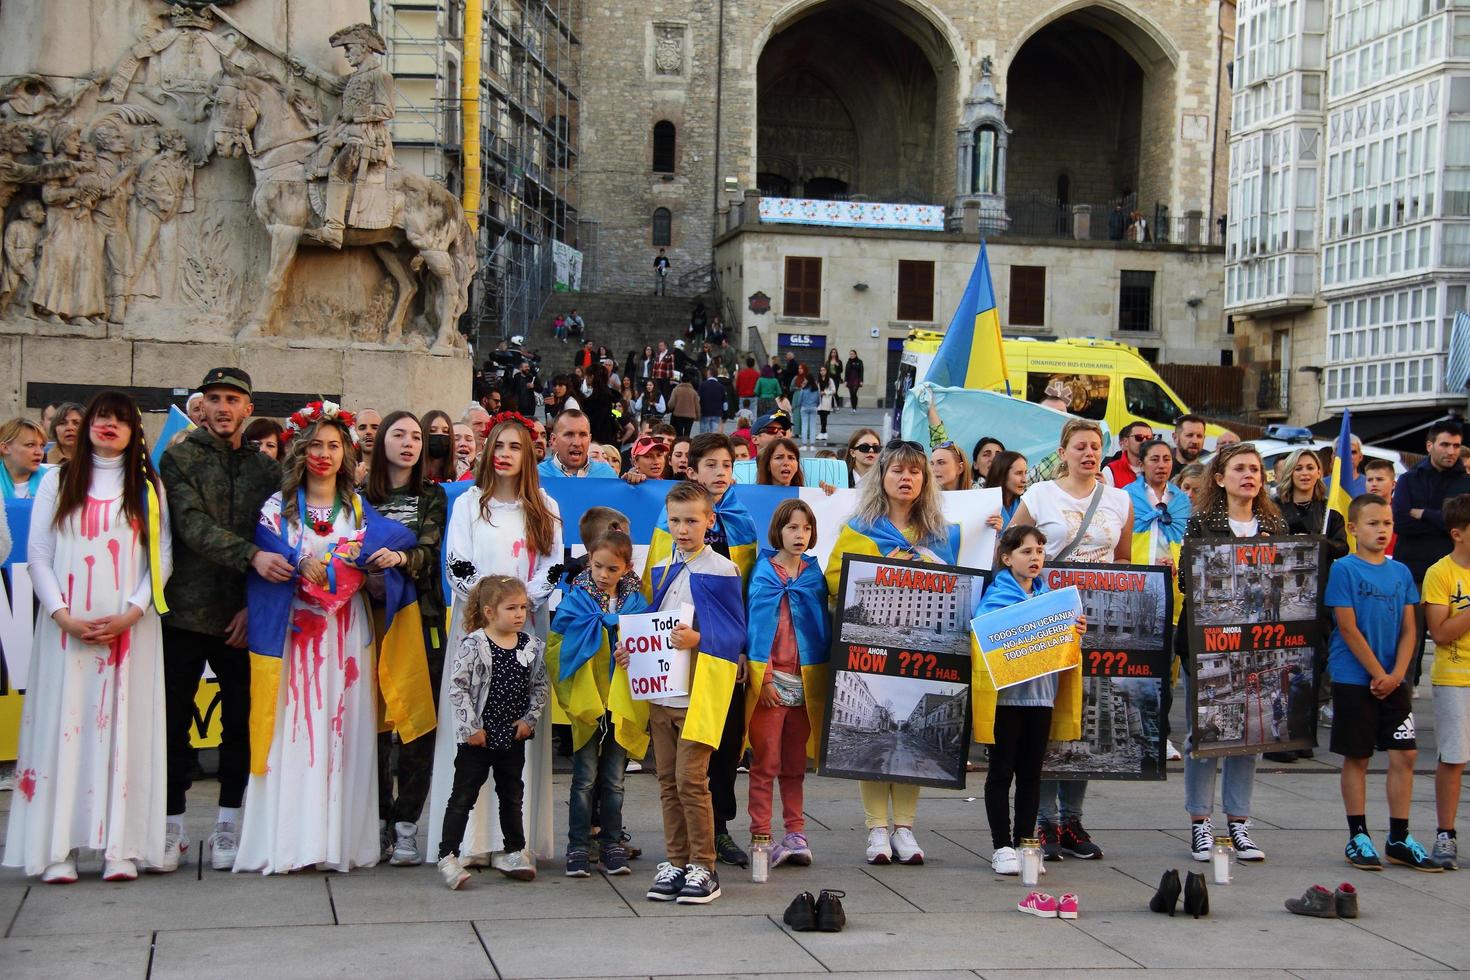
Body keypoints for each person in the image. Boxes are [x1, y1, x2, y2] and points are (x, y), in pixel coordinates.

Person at [3, 391, 172, 883]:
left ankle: (122, 846)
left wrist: (131, 613)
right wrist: (61, 614)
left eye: (121, 420)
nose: (109, 426)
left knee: (125, 731)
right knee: (65, 729)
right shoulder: (57, 480)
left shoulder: (147, 486)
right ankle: (58, 848)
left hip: (130, 632)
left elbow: (160, 560)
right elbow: (37, 554)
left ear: (134, 430)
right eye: (102, 417)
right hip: (67, 632)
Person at [234, 404, 394, 875]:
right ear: (300, 452)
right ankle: (291, 842)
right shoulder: (274, 510)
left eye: (333, 445)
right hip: (296, 631)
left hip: (346, 632)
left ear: (347, 453)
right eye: (315, 445)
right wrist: (295, 564)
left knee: (344, 728)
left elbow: (382, 555)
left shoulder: (361, 510)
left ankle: (340, 841)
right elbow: (267, 557)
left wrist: (369, 566)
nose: (324, 454)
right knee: (296, 728)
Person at [158, 368, 283, 872]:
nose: (224, 407)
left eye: (233, 399)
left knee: (241, 722)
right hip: (184, 611)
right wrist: (251, 557)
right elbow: (190, 526)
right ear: (202, 407)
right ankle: (171, 824)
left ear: (248, 408)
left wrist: (255, 605)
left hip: (243, 615)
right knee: (172, 722)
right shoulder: (178, 458)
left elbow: (278, 535)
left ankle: (230, 819)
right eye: (215, 398)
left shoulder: (266, 469)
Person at [428, 415, 562, 867]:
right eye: (498, 445)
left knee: (515, 735)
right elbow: (456, 563)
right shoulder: (469, 504)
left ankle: (513, 842)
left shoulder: (545, 506)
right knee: (473, 727)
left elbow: (554, 567)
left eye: (515, 447)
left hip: (524, 632)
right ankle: (464, 843)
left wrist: (519, 607)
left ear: (528, 456)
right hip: (475, 628)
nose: (504, 453)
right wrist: (490, 608)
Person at [827, 440, 958, 865]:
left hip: (923, 650)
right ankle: (876, 830)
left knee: (908, 747)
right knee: (878, 754)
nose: (907, 478)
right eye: (898, 470)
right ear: (881, 477)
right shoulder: (859, 530)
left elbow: (960, 586)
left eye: (916, 472)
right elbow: (833, 581)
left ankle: (905, 827)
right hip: (870, 648)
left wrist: (935, 567)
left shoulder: (942, 534)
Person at [1010, 418, 1134, 862]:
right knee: (1048, 714)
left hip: (1097, 622)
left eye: (1095, 446)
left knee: (1086, 717)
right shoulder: (1040, 495)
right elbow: (1011, 549)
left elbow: (1124, 560)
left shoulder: (1119, 499)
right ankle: (1042, 819)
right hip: (1048, 616)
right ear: (1062, 452)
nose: (1088, 453)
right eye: (1079, 446)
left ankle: (1073, 819)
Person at [618, 481, 745, 904]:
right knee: (668, 782)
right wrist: (631, 650)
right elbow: (649, 623)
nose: (683, 528)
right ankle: (676, 860)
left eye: (692, 520)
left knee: (692, 781)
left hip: (698, 694)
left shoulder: (722, 569)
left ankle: (704, 866)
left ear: (710, 521)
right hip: (662, 694)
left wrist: (700, 638)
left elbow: (733, 634)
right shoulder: (662, 566)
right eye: (675, 520)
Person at [645, 435, 756, 868]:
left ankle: (719, 831)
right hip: (674, 666)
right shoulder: (668, 524)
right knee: (678, 772)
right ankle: (682, 852)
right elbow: (654, 596)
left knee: (726, 743)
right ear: (692, 470)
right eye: (710, 464)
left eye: (727, 464)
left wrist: (742, 650)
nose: (720, 472)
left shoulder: (742, 522)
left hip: (723, 654)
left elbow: (749, 597)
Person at [1177, 442, 1284, 864]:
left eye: (1255, 469)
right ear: (1219, 479)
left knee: (1250, 735)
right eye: (1240, 468)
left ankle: (1239, 823)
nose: (1249, 475)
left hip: (1259, 647)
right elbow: (1189, 582)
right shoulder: (1202, 524)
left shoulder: (1274, 527)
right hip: (1208, 644)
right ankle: (1200, 823)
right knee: (1203, 732)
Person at [1327, 494, 1440, 872]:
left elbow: (1411, 629)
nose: (1382, 530)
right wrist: (1377, 672)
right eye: (1373, 523)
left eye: (1387, 523)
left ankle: (1399, 836)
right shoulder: (1345, 569)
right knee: (1357, 755)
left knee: (1405, 754)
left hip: (1393, 680)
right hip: (1355, 676)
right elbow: (1347, 626)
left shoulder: (1401, 572)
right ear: (1355, 528)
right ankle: (1357, 834)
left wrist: (1397, 675)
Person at [973, 523, 1085, 875]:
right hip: (1007, 701)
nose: (1035, 557)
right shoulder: (995, 597)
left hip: (1041, 698)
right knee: (1001, 772)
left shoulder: (1052, 599)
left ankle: (1026, 842)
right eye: (1026, 551)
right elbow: (983, 631)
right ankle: (1001, 845)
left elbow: (1060, 646)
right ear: (1006, 558)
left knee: (1032, 775)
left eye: (1039, 551)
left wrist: (1074, 629)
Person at [364, 411, 449, 867]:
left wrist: (400, 558)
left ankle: (406, 824)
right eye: (399, 434)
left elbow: (430, 553)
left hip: (420, 620)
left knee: (419, 723)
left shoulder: (431, 497)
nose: (409, 443)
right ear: (381, 443)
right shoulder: (358, 497)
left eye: (416, 436)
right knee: (374, 725)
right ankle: (377, 819)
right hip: (370, 619)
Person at [435, 575, 550, 888]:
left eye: (523, 607)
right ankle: (448, 855)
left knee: (512, 795)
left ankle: (515, 850)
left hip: (511, 736)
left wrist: (529, 720)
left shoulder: (530, 646)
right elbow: (457, 688)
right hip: (479, 738)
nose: (519, 614)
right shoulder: (474, 644)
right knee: (463, 796)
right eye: (511, 608)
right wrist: (471, 727)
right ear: (489, 612)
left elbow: (540, 686)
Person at [547, 529, 646, 878]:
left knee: (615, 781)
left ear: (627, 568)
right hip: (589, 701)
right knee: (584, 778)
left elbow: (646, 644)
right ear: (588, 560)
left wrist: (628, 649)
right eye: (598, 566)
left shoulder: (637, 603)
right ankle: (577, 846)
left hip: (619, 704)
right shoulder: (575, 599)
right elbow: (558, 647)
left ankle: (612, 844)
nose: (604, 575)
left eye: (612, 569)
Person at [745, 499, 829, 867]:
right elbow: (754, 626)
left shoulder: (814, 574)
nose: (800, 534)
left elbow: (822, 624)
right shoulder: (762, 573)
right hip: (771, 682)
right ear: (778, 530)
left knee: (796, 764)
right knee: (766, 762)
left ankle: (795, 833)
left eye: (806, 528)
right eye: (793, 527)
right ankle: (761, 835)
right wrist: (761, 679)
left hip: (804, 683)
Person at [1420, 492, 1470, 870]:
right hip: (1455, 678)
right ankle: (1445, 834)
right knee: (1453, 757)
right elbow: (1439, 632)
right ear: (1458, 533)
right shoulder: (1441, 573)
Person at [539, 409, 618, 479]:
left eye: (583, 435)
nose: (577, 443)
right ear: (554, 440)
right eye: (569, 434)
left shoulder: (607, 474)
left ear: (589, 439)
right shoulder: (536, 475)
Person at [0, 416, 47, 499]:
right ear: (5, 448)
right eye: (30, 445)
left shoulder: (53, 480)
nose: (39, 452)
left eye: (42, 446)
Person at [1362, 458, 1398, 557]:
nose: (1374, 484)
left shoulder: (1400, 511)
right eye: (1369, 480)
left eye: (1379, 479)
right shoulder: (1358, 510)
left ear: (1393, 484)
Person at [986, 451, 1029, 533]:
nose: (1024, 480)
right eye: (1019, 473)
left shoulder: (1026, 503)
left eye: (1025, 473)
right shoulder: (984, 505)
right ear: (1002, 474)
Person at [1102, 421, 1153, 488]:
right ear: (1126, 442)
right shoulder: (1110, 470)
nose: (1144, 441)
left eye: (1149, 438)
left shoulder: (1158, 469)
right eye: (1139, 437)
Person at [421, 410, 457, 483]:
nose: (440, 435)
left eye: (445, 431)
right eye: (432, 430)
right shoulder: (410, 474)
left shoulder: (459, 473)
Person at [698, 367, 727, 435]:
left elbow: (698, 399)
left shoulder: (703, 385)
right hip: (717, 413)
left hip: (705, 412)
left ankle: (703, 445)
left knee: (703, 434)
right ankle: (712, 445)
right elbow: (725, 403)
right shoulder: (721, 387)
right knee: (714, 434)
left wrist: (698, 410)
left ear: (709, 373)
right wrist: (725, 414)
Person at [795, 375, 820, 450]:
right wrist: (816, 405)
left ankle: (804, 445)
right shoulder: (816, 389)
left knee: (804, 426)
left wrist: (800, 405)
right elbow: (818, 400)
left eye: (805, 379)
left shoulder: (803, 389)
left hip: (804, 408)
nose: (804, 380)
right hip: (813, 407)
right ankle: (812, 445)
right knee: (813, 427)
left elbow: (800, 400)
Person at [816, 366, 838, 443]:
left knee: (824, 417)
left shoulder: (830, 380)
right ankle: (822, 432)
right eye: (821, 370)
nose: (822, 372)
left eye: (824, 370)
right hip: (820, 401)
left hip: (826, 400)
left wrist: (825, 392)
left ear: (826, 371)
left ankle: (824, 432)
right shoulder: (818, 380)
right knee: (821, 417)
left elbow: (834, 390)